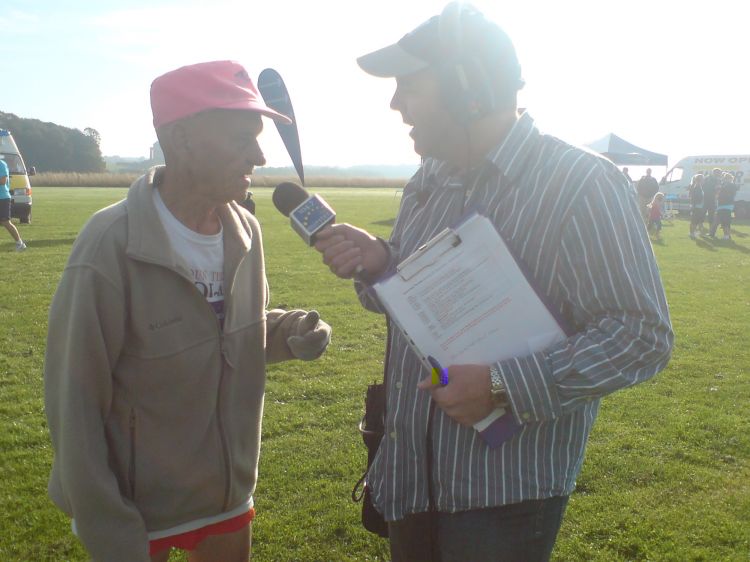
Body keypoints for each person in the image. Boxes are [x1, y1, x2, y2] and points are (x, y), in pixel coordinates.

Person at [313, 5, 673, 561]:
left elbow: (641, 335)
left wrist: (504, 386)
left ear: (466, 87)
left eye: (409, 84)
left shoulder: (581, 184)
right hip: (411, 474)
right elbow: (426, 303)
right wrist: (383, 262)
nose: (394, 102)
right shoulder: (427, 181)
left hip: (502, 495)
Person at [43, 60, 332, 562]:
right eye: (243, 137)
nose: (260, 155)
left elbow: (233, 334)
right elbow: (74, 399)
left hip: (226, 494)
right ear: (181, 140)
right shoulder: (109, 243)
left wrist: (286, 333)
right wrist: (106, 524)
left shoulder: (246, 230)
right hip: (137, 507)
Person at [0, 157, 27, 251]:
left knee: (5, 222)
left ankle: (20, 243)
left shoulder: (1, 164)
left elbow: (3, 181)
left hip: (2, 198)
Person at [709, 172, 739, 240]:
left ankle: (726, 236)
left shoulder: (731, 185)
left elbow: (728, 193)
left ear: (729, 178)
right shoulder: (724, 185)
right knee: (717, 220)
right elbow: (718, 193)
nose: (724, 179)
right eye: (724, 178)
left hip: (727, 205)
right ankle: (712, 234)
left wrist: (721, 189)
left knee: (725, 221)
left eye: (725, 178)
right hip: (721, 205)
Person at [688, 173, 706, 239]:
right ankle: (691, 233)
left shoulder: (699, 187)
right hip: (696, 207)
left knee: (699, 221)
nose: (704, 181)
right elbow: (694, 198)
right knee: (694, 221)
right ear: (700, 180)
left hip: (700, 207)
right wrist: (694, 205)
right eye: (703, 179)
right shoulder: (696, 187)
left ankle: (701, 233)